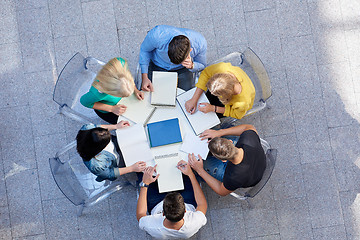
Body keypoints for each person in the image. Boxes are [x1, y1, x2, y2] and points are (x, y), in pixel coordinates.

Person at [136, 159, 207, 239]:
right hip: (187, 199)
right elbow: (202, 204)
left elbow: (141, 215)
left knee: (144, 171)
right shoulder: (195, 222)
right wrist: (190, 174)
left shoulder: (151, 226)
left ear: (163, 213)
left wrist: (145, 183)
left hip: (157, 202)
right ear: (185, 211)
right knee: (186, 167)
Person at [188, 124, 266, 196]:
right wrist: (220, 132)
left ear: (223, 160)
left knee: (205, 164)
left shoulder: (232, 177)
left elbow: (221, 191)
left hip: (250, 178)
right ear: (230, 142)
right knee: (218, 129)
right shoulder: (249, 139)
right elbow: (249, 127)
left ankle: (197, 174)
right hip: (259, 161)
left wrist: (200, 170)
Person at [139, 25, 207, 92]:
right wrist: (144, 77)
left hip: (182, 69)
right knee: (148, 94)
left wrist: (192, 65)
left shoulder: (200, 43)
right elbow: (145, 50)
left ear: (190, 51)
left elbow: (202, 65)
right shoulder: (157, 35)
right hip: (157, 65)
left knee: (187, 96)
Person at [80, 57, 144, 124]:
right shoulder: (97, 94)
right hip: (108, 111)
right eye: (121, 95)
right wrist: (112, 108)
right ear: (110, 92)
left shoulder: (120, 63)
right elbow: (84, 102)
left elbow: (127, 76)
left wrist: (135, 90)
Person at [76, 121, 146, 182]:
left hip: (116, 145)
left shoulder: (87, 128)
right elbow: (110, 174)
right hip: (117, 160)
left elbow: (99, 128)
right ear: (100, 148)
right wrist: (132, 168)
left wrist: (116, 126)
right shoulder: (97, 166)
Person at [185, 62, 255, 119]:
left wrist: (213, 108)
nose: (211, 93)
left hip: (229, 106)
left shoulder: (243, 102)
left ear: (225, 96)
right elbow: (206, 73)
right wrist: (194, 99)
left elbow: (236, 114)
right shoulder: (222, 68)